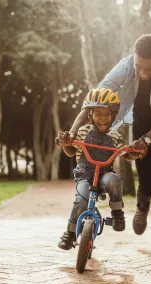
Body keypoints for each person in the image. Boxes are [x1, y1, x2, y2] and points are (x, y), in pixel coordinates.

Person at [67, 34, 151, 259]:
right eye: (139, 67)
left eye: (150, 69)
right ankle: (143, 203)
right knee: (148, 179)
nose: (143, 72)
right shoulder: (126, 65)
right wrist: (74, 129)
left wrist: (146, 140)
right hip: (143, 122)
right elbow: (96, 98)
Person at [58, 88, 138, 251]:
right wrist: (67, 144)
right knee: (81, 201)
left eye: (107, 114)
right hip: (84, 175)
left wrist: (134, 153)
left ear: (113, 116)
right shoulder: (82, 131)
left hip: (104, 175)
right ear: (90, 115)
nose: (103, 118)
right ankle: (70, 233)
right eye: (98, 113)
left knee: (114, 180)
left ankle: (117, 213)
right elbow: (71, 152)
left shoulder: (115, 136)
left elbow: (125, 153)